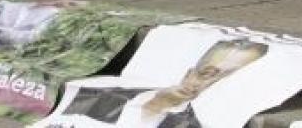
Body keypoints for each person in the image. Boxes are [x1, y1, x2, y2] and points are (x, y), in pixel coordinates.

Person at [61, 39, 267, 126]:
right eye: (207, 74)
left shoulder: (195, 123)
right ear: (189, 73)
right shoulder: (99, 96)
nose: (203, 86)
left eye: (220, 80)